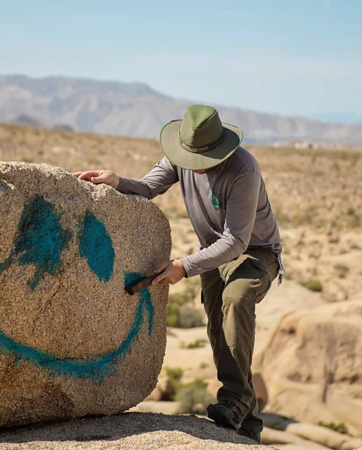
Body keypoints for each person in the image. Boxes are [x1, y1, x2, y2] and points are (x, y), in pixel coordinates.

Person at [74, 105, 282, 443]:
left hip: (254, 252)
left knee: (236, 297)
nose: (197, 168)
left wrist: (183, 267)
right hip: (212, 251)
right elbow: (147, 187)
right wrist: (117, 181)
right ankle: (249, 426)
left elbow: (236, 240)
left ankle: (234, 399)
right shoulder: (181, 156)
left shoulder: (244, 169)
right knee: (219, 329)